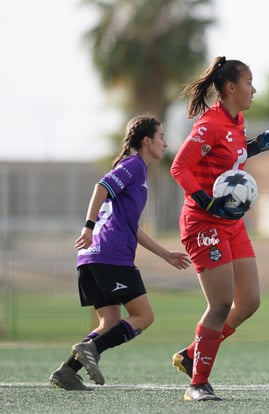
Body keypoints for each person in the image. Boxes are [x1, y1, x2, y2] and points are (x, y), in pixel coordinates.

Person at [170, 56, 269, 401]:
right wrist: (206, 201)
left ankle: (195, 352)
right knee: (221, 303)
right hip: (203, 221)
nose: (255, 88)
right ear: (230, 88)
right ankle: (197, 384)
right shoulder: (209, 125)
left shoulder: (237, 121)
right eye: (249, 82)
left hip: (231, 223)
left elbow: (228, 158)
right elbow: (180, 168)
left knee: (249, 301)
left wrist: (254, 146)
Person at [49, 114, 191, 390]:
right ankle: (91, 350)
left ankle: (66, 371)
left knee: (110, 321)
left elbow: (131, 226)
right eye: (161, 136)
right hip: (110, 256)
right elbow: (100, 187)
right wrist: (88, 226)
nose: (165, 142)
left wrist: (165, 254)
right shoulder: (135, 165)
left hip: (91, 257)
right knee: (144, 316)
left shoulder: (135, 170)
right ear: (146, 141)